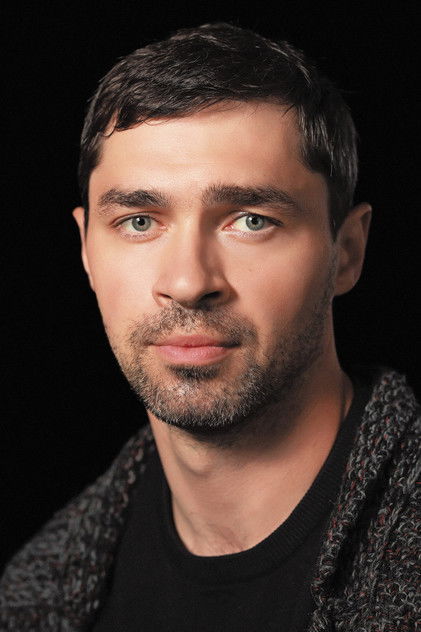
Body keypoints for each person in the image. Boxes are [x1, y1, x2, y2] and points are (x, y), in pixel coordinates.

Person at [0, 22, 419, 632]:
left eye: (251, 220)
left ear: (347, 252)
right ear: (86, 251)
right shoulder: (35, 598)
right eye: (139, 221)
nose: (189, 282)